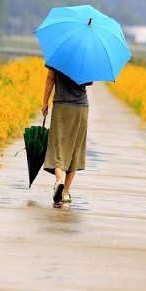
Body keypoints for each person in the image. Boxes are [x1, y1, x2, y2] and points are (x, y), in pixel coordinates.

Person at [41, 67, 92, 204]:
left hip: (62, 106)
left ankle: (59, 180)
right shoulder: (86, 58)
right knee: (75, 148)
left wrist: (45, 102)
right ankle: (66, 193)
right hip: (81, 108)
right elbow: (89, 82)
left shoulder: (57, 55)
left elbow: (50, 78)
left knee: (57, 145)